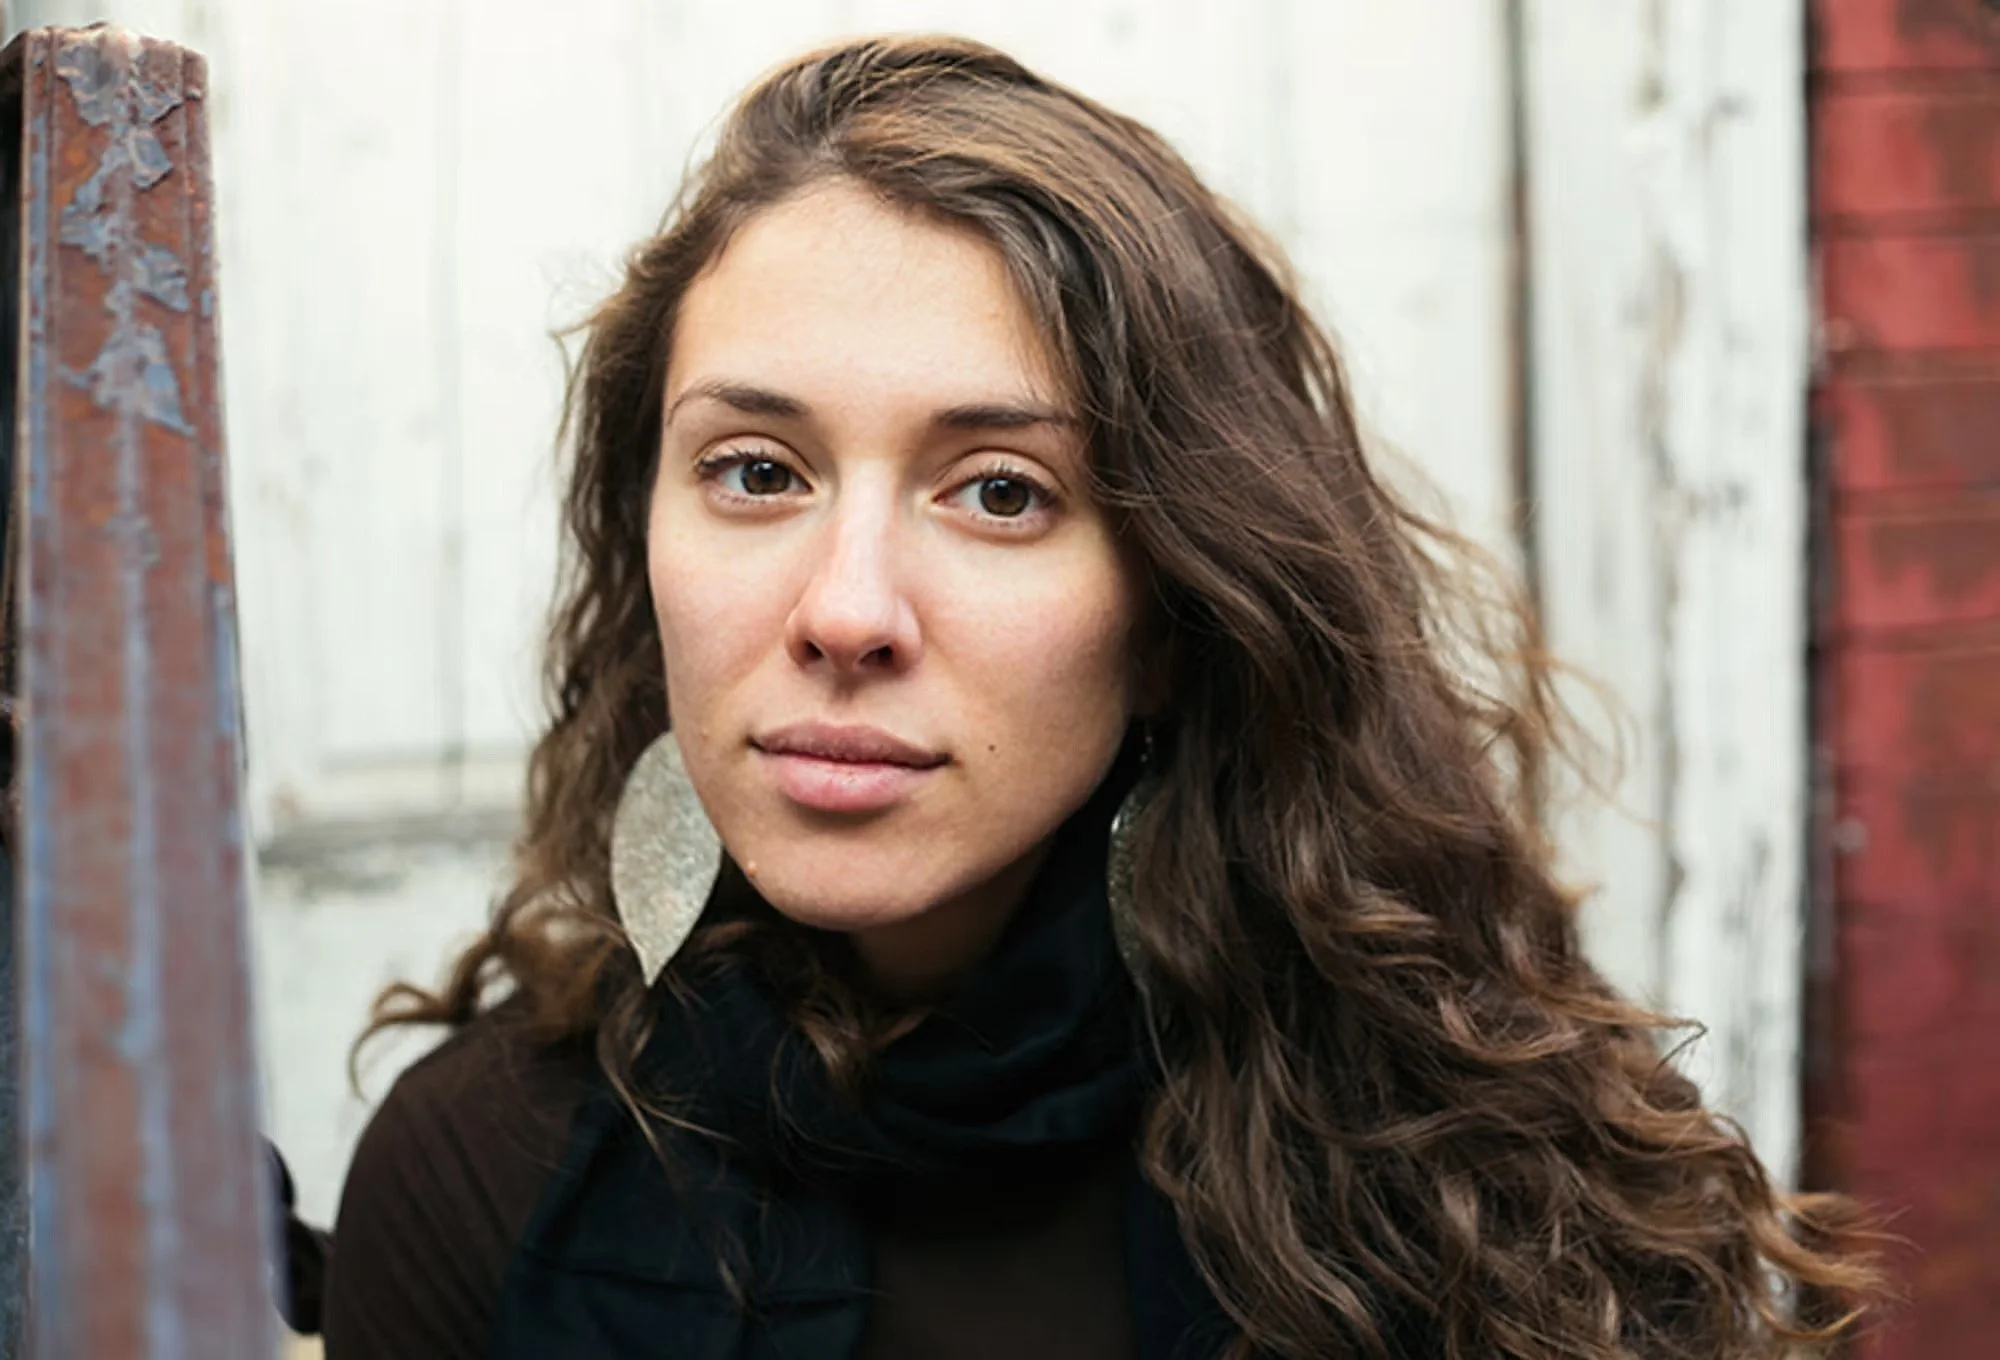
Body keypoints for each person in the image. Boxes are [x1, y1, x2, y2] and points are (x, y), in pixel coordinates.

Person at [314, 33, 1877, 1360]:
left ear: (1176, 610)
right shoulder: (481, 1181)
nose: (845, 609)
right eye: (757, 471)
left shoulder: (1463, 1165)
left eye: (1000, 492)